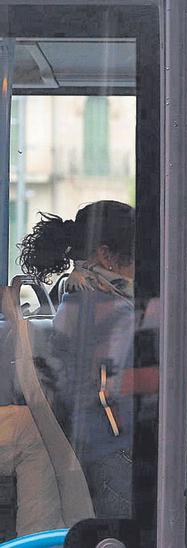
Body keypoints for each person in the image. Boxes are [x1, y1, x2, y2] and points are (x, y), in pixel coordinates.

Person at [17, 200, 136, 519]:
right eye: (138, 259)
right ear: (107, 256)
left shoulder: (72, 295)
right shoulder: (109, 311)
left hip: (97, 462)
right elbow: (116, 400)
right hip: (120, 472)